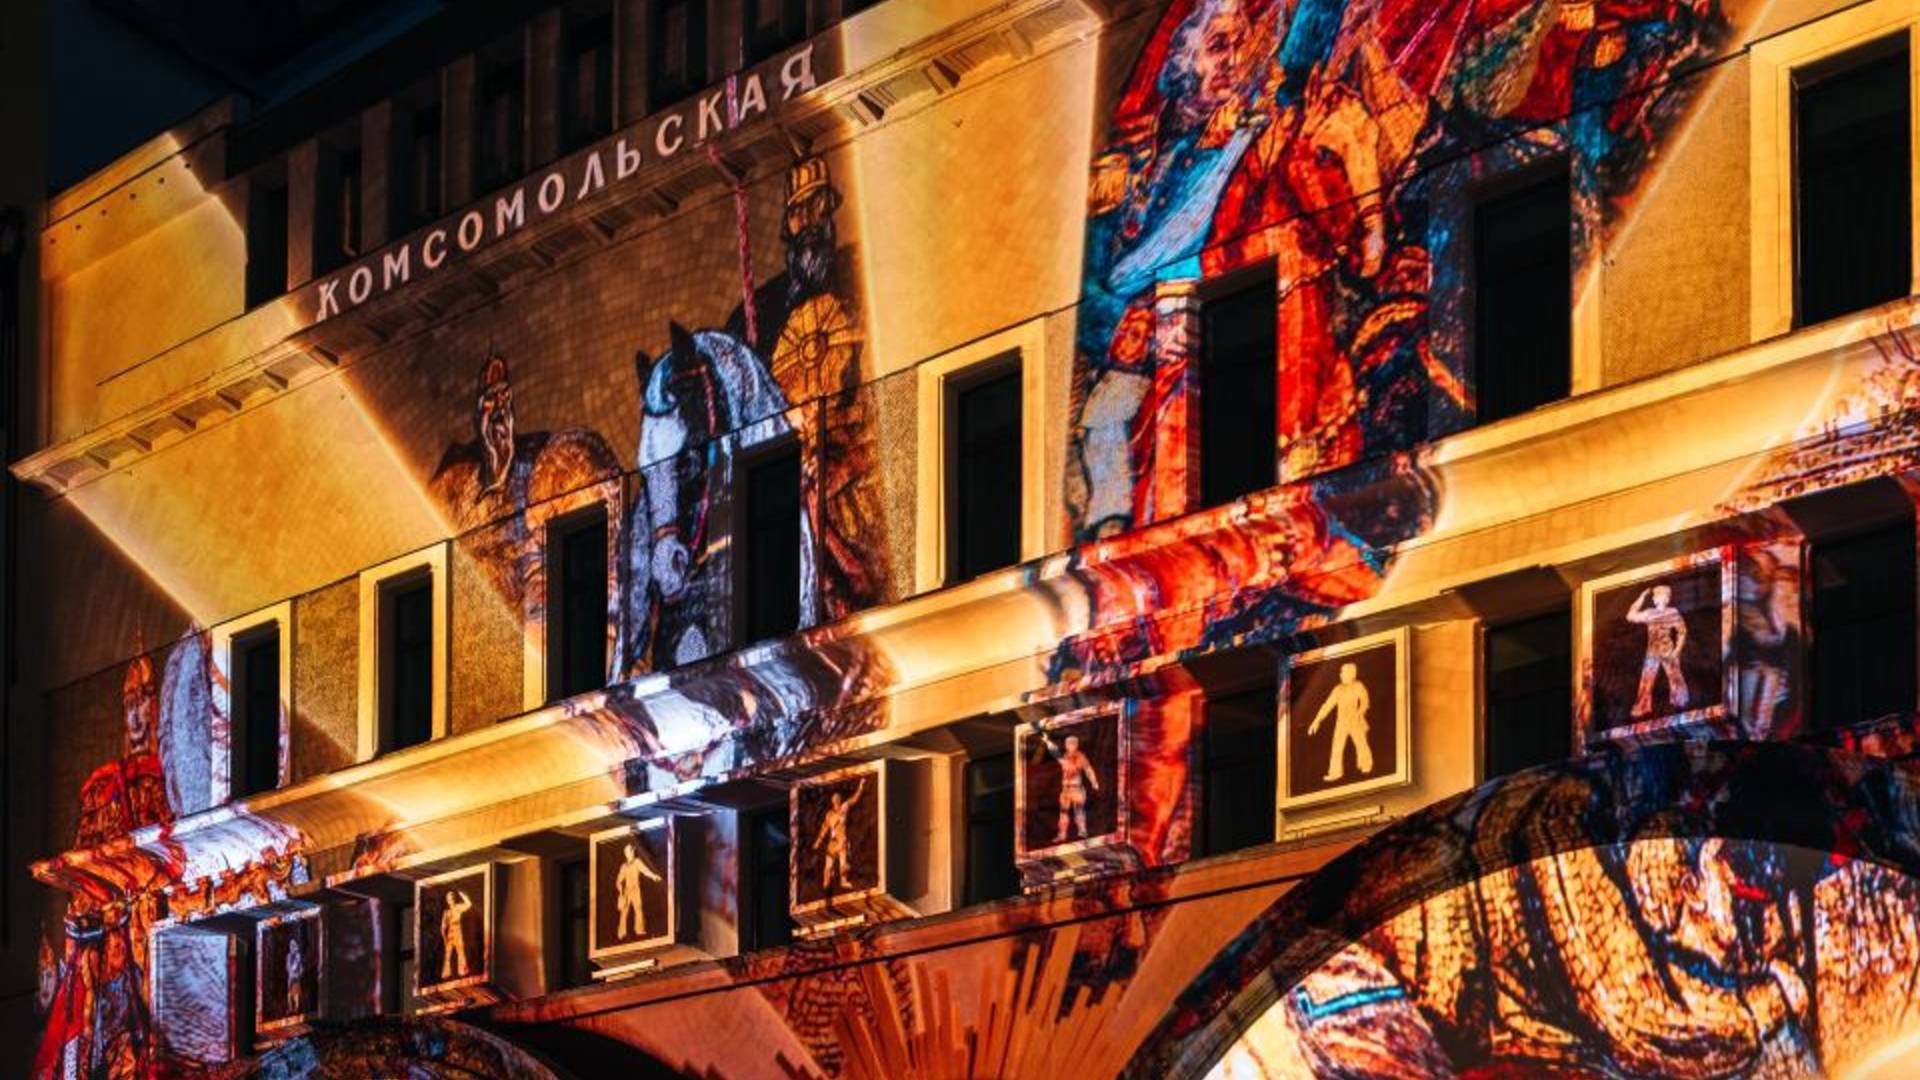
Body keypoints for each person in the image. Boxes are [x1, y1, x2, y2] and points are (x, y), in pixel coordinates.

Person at [1627, 583, 1689, 718]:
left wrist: (1677, 650)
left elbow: (1682, 631)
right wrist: (1641, 597)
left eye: (1658, 595)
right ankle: (1642, 706)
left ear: (1666, 598)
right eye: (1655, 596)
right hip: (1652, 651)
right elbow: (1630, 616)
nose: (1655, 598)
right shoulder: (1650, 613)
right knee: (1647, 678)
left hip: (1668, 650)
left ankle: (1680, 702)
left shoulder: (1672, 612)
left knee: (1675, 676)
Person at [1308, 661, 1373, 783]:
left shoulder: (1358, 686)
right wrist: (1316, 721)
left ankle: (1366, 765)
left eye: (1343, 672)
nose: (1340, 675)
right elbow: (1327, 705)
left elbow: (1365, 702)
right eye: (1341, 672)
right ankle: (1335, 772)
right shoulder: (1338, 689)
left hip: (1355, 720)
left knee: (1361, 743)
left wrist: (1359, 713)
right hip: (1341, 722)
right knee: (1337, 747)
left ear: (1351, 674)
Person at [1044, 731, 1102, 844]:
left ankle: (1082, 832)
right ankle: (1062, 835)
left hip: (1076, 789)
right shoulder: (1065, 756)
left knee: (1079, 810)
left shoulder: (1080, 756)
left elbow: (1088, 769)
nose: (1070, 745)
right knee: (1063, 812)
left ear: (1076, 744)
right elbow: (1057, 755)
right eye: (1068, 743)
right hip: (1065, 790)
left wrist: (1094, 782)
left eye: (1072, 743)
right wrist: (1048, 742)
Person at [813, 778, 868, 894]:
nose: (836, 801)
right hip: (832, 843)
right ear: (832, 801)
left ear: (840, 799)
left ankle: (843, 881)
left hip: (842, 840)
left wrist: (860, 786)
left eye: (838, 798)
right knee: (828, 865)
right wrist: (818, 841)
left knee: (843, 863)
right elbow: (824, 828)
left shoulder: (844, 807)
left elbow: (854, 799)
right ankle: (826, 883)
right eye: (834, 799)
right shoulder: (829, 814)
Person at [614, 841, 663, 939]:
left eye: (629, 851)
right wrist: (620, 890)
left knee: (638, 909)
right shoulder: (623, 866)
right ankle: (621, 932)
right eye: (626, 852)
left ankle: (639, 929)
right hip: (627, 891)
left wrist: (654, 876)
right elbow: (618, 880)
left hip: (636, 890)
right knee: (624, 912)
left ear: (633, 852)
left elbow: (645, 871)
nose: (628, 853)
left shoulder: (637, 862)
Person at [441, 889, 473, 980]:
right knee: (448, 953)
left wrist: (462, 894)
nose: (451, 900)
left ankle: (462, 970)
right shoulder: (446, 912)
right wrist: (444, 938)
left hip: (457, 931)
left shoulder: (458, 907)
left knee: (460, 951)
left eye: (452, 897)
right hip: (450, 933)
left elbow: (469, 904)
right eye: (449, 898)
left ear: (454, 898)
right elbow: (443, 927)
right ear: (447, 900)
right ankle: (446, 972)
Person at [285, 930, 305, 1015]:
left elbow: (300, 967)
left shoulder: (298, 955)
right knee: (290, 994)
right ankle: (290, 1009)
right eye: (291, 945)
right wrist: (291, 971)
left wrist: (299, 973)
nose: (292, 947)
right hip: (291, 977)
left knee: (296, 993)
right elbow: (287, 967)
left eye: (293, 945)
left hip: (295, 976)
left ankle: (296, 1009)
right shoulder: (289, 956)